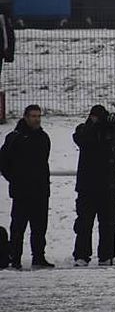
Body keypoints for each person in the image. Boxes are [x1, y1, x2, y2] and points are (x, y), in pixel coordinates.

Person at [71, 105, 115, 266]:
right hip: (87, 186)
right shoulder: (83, 129)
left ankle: (107, 255)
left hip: (108, 186)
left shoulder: (111, 130)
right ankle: (81, 255)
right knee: (84, 223)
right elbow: (84, 139)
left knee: (109, 224)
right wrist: (98, 125)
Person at [0, 105, 53, 269]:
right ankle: (15, 258)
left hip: (40, 190)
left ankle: (38, 257)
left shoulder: (43, 137)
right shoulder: (15, 138)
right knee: (18, 227)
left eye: (38, 116)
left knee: (39, 227)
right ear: (25, 117)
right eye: (33, 116)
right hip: (22, 191)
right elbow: (3, 162)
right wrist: (15, 179)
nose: (37, 119)